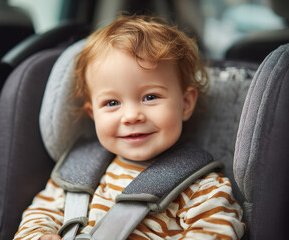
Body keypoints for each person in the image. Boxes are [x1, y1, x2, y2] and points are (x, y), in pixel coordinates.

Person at [14, 15, 245, 240]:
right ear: (93, 114)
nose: (132, 116)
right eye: (112, 103)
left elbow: (216, 232)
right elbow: (41, 213)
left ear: (185, 103)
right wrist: (39, 235)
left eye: (150, 97)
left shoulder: (203, 188)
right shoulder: (75, 171)